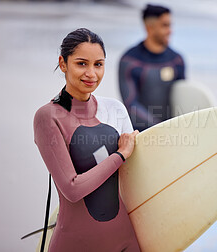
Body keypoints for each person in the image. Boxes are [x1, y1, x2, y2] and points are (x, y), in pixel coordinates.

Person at [33, 28, 140, 252]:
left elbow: (135, 179)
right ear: (63, 63)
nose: (91, 73)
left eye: (98, 64)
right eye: (82, 63)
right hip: (75, 244)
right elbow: (72, 189)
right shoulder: (48, 117)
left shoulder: (116, 109)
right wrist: (120, 155)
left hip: (125, 241)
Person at [119, 4, 186, 131]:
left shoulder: (177, 60)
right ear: (149, 28)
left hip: (173, 133)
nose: (170, 31)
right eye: (165, 25)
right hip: (140, 134)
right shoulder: (130, 61)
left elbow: (182, 97)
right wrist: (159, 127)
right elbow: (130, 104)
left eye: (170, 25)